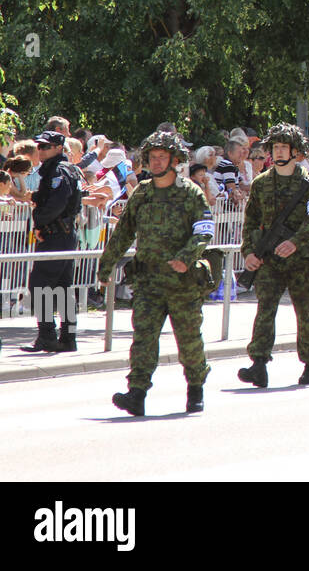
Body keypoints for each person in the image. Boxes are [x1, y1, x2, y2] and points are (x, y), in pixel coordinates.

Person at [96, 131, 214, 415]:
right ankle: (137, 393)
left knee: (188, 338)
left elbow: (204, 232)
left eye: (163, 157)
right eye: (153, 157)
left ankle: (195, 388)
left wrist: (186, 258)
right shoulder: (144, 194)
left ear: (174, 160)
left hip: (182, 282)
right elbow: (123, 232)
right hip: (149, 281)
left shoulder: (191, 193)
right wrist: (106, 266)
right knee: (143, 338)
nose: (157, 162)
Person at [236, 123, 309, 388]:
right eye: (274, 147)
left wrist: (295, 242)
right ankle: (259, 364)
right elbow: (250, 221)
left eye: (283, 147)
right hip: (270, 259)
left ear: (295, 151)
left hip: (303, 259)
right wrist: (249, 252)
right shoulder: (261, 183)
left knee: (306, 310)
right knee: (265, 309)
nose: (278, 151)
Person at [25, 131, 83, 352]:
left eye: (46, 147)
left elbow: (57, 203)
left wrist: (38, 222)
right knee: (63, 287)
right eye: (39, 147)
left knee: (40, 284)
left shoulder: (59, 171)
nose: (41, 151)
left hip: (57, 235)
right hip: (62, 234)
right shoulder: (63, 169)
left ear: (59, 148)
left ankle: (47, 336)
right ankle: (68, 338)